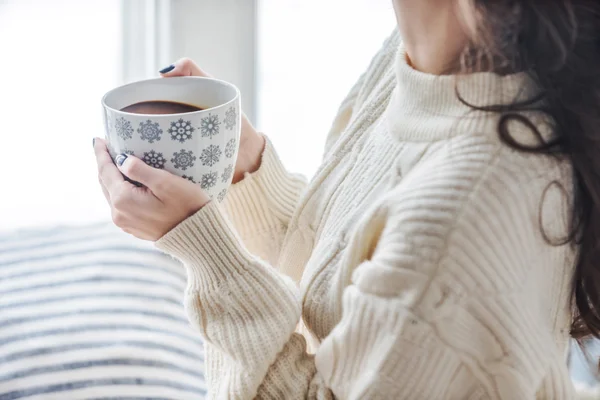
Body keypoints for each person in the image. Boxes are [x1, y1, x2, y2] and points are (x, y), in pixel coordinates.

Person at [93, 0, 600, 398]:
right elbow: (343, 284)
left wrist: (206, 252)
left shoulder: (468, 207)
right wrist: (245, 169)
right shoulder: (421, 57)